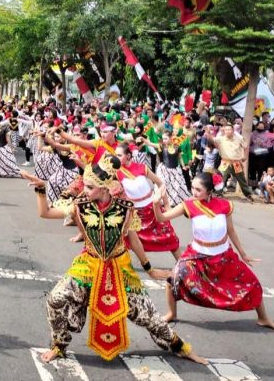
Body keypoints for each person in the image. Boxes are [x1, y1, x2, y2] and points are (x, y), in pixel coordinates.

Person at [27, 156, 205, 364]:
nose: (84, 189)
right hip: (88, 265)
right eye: (85, 185)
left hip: (119, 268)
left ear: (104, 188)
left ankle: (179, 346)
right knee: (55, 299)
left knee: (148, 316)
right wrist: (41, 190)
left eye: (90, 187)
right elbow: (45, 213)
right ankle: (59, 344)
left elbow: (135, 240)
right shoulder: (80, 205)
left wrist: (149, 268)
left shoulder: (125, 208)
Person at [153, 172, 274, 332]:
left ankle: (263, 318)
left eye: (198, 189)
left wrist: (243, 254)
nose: (193, 192)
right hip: (197, 255)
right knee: (173, 279)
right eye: (192, 188)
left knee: (252, 283)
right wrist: (155, 202)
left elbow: (231, 231)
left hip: (224, 256)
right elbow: (161, 218)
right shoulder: (188, 205)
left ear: (209, 191)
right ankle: (171, 313)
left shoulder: (225, 205)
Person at [115, 142, 181, 259]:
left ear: (128, 156)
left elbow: (160, 183)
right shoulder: (117, 173)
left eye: (119, 155)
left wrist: (166, 205)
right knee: (128, 240)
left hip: (152, 209)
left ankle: (181, 264)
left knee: (169, 236)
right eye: (116, 155)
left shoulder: (142, 168)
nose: (116, 158)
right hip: (135, 213)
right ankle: (129, 265)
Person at [206, 124, 254, 202]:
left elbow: (246, 147)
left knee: (241, 179)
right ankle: (218, 193)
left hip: (236, 162)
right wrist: (208, 133)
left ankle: (248, 194)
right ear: (224, 131)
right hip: (225, 162)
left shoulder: (239, 138)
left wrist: (245, 156)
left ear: (233, 130)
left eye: (229, 129)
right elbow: (212, 140)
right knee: (219, 177)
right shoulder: (221, 138)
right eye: (226, 130)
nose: (227, 131)